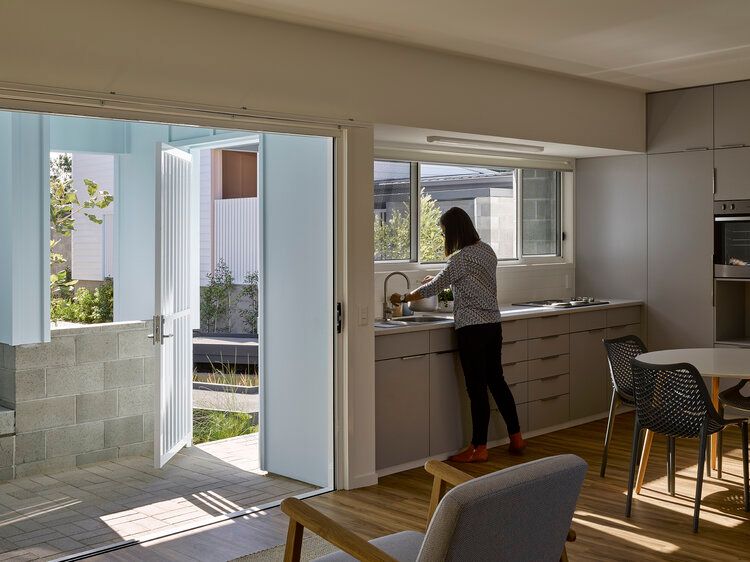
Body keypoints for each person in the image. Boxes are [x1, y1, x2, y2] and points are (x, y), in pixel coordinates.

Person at [390, 207, 526, 462]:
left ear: (454, 231)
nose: (443, 237)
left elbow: (432, 288)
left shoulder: (459, 260)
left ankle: (479, 448)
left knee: (476, 389)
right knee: (497, 381)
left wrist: (405, 297)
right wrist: (446, 280)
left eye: (444, 232)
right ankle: (516, 437)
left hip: (471, 329)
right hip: (493, 325)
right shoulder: (487, 250)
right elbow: (469, 281)